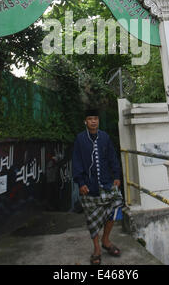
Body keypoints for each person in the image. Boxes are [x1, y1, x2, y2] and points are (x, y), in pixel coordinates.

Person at [72, 108, 123, 265]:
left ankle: (106, 240)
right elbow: (76, 162)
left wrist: (116, 176)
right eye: (90, 118)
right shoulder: (80, 139)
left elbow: (112, 157)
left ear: (98, 121)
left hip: (107, 183)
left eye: (96, 118)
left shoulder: (105, 137)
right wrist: (81, 183)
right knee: (92, 220)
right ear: (85, 122)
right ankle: (97, 249)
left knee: (116, 206)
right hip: (89, 186)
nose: (93, 121)